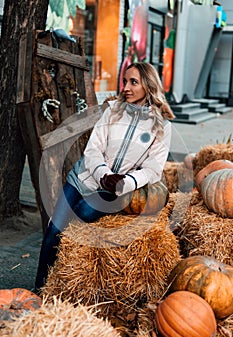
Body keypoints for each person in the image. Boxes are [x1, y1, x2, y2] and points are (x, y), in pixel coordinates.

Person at [35, 62, 175, 292]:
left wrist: (126, 182)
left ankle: (62, 284)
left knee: (82, 213)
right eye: (125, 81)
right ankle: (39, 289)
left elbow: (153, 169)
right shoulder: (113, 111)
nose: (126, 87)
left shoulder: (162, 126)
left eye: (133, 82)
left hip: (114, 190)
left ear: (148, 86)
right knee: (53, 231)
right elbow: (93, 149)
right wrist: (104, 174)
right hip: (84, 178)